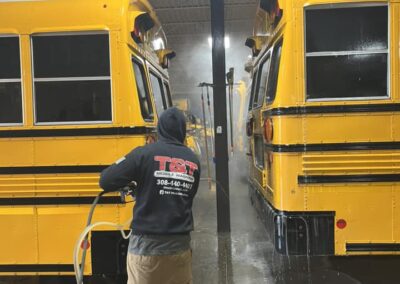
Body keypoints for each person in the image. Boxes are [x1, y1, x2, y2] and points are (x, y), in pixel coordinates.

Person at [99, 107, 201, 284]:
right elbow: (185, 197)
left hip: (146, 250)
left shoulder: (143, 154)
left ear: (159, 129)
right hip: (180, 251)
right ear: (182, 131)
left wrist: (140, 185)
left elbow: (106, 180)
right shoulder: (193, 161)